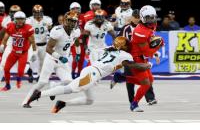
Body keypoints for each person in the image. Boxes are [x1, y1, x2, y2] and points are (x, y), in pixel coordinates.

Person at [24, 36, 152, 113]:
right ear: (123, 47)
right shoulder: (125, 55)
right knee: (71, 89)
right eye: (126, 45)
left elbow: (93, 52)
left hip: (91, 70)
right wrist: (147, 65)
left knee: (89, 100)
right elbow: (133, 65)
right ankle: (41, 93)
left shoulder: (106, 48)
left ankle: (62, 104)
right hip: (93, 73)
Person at [22, 11, 81, 108]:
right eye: (70, 20)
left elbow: (77, 41)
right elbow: (48, 48)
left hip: (63, 60)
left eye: (74, 21)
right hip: (52, 58)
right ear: (65, 20)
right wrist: (60, 57)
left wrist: (78, 53)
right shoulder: (57, 30)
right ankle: (26, 101)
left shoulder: (76, 31)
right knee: (42, 82)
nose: (72, 23)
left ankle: (54, 86)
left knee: (68, 82)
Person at [113, 5, 164, 112]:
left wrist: (155, 46)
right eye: (148, 18)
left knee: (150, 80)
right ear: (142, 18)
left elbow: (149, 44)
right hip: (135, 59)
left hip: (142, 57)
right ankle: (134, 104)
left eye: (152, 17)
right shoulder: (140, 31)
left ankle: (122, 78)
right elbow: (147, 52)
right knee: (145, 83)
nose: (151, 20)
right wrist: (158, 46)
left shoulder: (150, 25)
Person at [0, 11, 37, 91]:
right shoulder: (10, 26)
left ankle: (18, 80)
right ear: (15, 19)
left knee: (20, 72)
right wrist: (2, 45)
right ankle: (7, 85)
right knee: (6, 69)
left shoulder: (28, 28)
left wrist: (34, 52)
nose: (20, 21)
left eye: (22, 19)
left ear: (24, 19)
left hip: (23, 53)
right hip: (13, 52)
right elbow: (5, 38)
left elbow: (33, 42)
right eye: (18, 19)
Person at [26, 4, 53, 82]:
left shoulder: (47, 19)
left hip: (44, 44)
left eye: (39, 12)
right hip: (33, 44)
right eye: (36, 12)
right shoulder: (29, 20)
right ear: (33, 13)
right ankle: (30, 71)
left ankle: (40, 75)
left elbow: (50, 31)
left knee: (42, 61)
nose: (38, 14)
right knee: (32, 59)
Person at [0, 5, 22, 81]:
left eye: (15, 12)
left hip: (21, 45)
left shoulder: (26, 20)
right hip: (10, 44)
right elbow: (2, 34)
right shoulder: (6, 20)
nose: (13, 14)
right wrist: (2, 44)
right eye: (12, 12)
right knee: (3, 63)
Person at [69, 2, 86, 79]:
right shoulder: (68, 16)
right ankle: (72, 72)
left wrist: (84, 39)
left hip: (82, 41)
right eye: (73, 8)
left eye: (77, 8)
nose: (75, 10)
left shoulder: (83, 17)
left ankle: (79, 73)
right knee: (76, 57)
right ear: (70, 10)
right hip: (73, 41)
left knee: (81, 59)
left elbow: (86, 29)